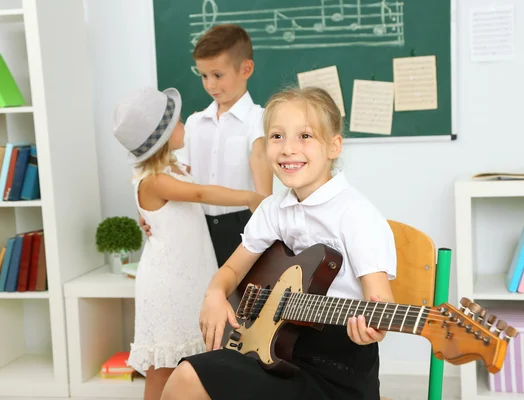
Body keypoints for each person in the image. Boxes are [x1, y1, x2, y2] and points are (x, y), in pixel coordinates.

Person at [159, 86, 397, 400]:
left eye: (305, 136)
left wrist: (372, 331)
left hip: (336, 375)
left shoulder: (356, 215)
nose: (287, 149)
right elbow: (232, 268)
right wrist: (215, 293)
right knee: (186, 375)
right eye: (277, 136)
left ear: (333, 146)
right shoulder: (273, 209)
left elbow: (381, 303)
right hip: (275, 354)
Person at [111, 86, 265, 400]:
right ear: (165, 135)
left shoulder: (173, 170)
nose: (185, 126)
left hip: (188, 278)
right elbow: (201, 193)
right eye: (179, 122)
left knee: (189, 358)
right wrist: (251, 197)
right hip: (168, 283)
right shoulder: (155, 180)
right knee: (163, 362)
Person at [141, 24, 273, 267]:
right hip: (196, 227)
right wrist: (153, 214)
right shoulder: (194, 123)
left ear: (246, 69)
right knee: (202, 298)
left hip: (243, 225)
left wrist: (267, 225)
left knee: (243, 300)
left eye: (218, 75)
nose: (210, 85)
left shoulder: (260, 119)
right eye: (204, 76)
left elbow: (262, 177)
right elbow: (178, 179)